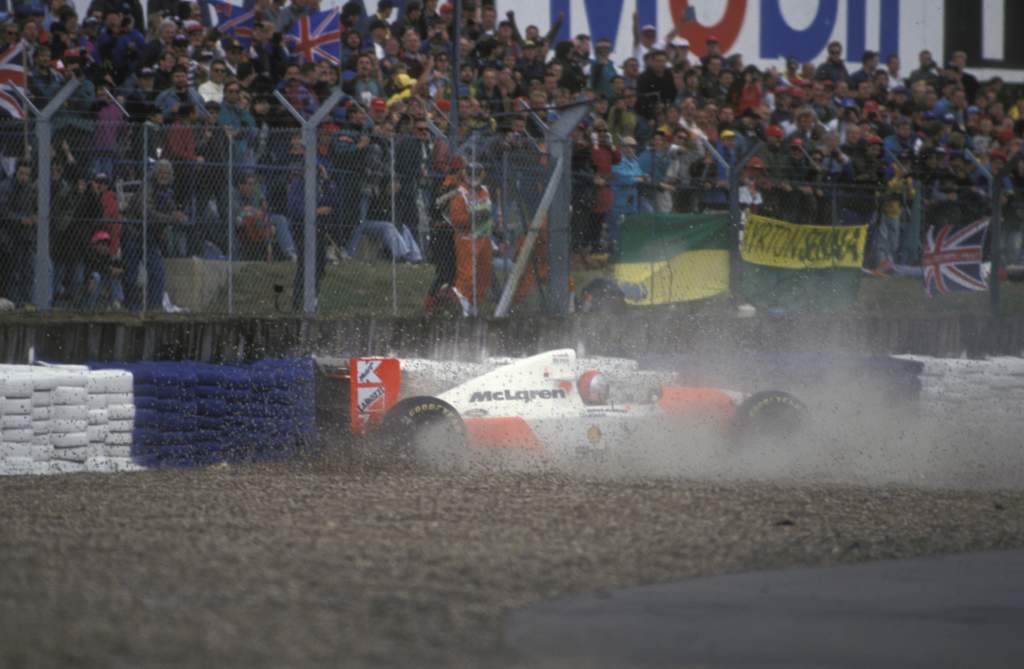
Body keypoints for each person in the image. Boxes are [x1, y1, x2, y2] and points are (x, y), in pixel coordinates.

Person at [124, 160, 186, 311]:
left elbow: (170, 208)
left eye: (167, 173)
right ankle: (131, 308)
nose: (164, 176)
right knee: (131, 274)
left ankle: (154, 308)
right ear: (155, 173)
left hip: (150, 236)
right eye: (161, 172)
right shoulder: (147, 187)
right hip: (134, 233)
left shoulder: (167, 190)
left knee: (157, 272)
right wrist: (171, 218)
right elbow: (147, 213)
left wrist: (176, 214)